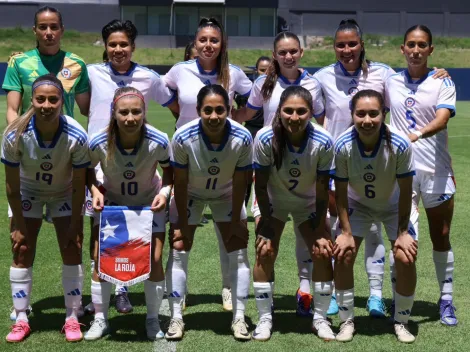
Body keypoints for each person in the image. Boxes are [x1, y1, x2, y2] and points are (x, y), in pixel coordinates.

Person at [313, 18, 449, 317]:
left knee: (375, 231)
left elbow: (408, 89)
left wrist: (437, 74)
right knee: (342, 230)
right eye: (340, 45)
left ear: (361, 45)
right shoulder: (321, 77)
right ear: (334, 47)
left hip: (379, 163)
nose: (346, 49)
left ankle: (376, 295)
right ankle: (338, 293)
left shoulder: (384, 75)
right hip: (340, 164)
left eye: (352, 44)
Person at [83, 19, 178, 316]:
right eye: (112, 44)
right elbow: (83, 106)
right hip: (100, 163)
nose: (118, 49)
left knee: (142, 234)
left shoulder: (149, 77)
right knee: (99, 234)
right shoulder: (90, 73)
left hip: (138, 162)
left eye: (124, 44)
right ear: (105, 47)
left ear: (133, 47)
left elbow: (176, 106)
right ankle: (111, 291)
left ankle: (131, 289)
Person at [232, 31, 325, 317]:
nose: (288, 56)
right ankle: (266, 298)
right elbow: (247, 113)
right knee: (266, 238)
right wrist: (222, 117)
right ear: (275, 54)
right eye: (282, 52)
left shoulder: (313, 83)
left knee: (305, 236)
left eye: (293, 51)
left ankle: (305, 291)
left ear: (301, 53)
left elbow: (318, 121)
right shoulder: (263, 82)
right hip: (269, 166)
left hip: (302, 169)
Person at [164, 17, 252, 311]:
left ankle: (228, 288)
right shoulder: (179, 71)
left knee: (230, 234)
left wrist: (238, 119)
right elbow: (167, 98)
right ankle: (178, 293)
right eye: (203, 39)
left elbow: (254, 102)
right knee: (180, 233)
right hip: (187, 159)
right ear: (195, 43)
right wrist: (183, 120)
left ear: (222, 44)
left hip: (224, 159)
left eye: (214, 40)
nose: (208, 45)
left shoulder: (234, 74)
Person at [2, 74, 90, 342]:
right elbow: (11, 187)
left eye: (53, 99)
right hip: (28, 193)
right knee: (22, 249)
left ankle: (72, 316)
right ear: (33, 101)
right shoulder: (14, 134)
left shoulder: (76, 134)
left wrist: (76, 223)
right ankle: (21, 317)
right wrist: (18, 224)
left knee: (71, 247)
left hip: (64, 192)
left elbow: (78, 185)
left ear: (62, 101)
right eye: (40, 99)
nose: (47, 105)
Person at [85, 86, 173, 341]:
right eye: (124, 112)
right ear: (114, 113)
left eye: (136, 112)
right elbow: (88, 171)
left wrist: (165, 194)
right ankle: (100, 319)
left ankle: (153, 319)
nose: (130, 118)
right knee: (101, 260)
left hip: (148, 205)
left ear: (145, 112)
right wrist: (95, 190)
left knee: (154, 259)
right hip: (113, 205)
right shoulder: (98, 141)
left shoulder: (158, 140)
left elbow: (170, 172)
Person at [166, 85, 252, 341]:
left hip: (227, 193)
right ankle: (176, 317)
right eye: (208, 110)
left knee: (238, 251)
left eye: (220, 110)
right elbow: (180, 183)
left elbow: (241, 182)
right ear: (198, 110)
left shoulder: (243, 137)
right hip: (191, 193)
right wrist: (181, 221)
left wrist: (237, 220)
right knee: (179, 249)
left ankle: (239, 317)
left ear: (228, 110)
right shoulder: (183, 136)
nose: (214, 116)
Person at [386, 24, 458, 326]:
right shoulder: (390, 82)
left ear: (430, 50)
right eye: (411, 45)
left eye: (422, 45)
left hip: (438, 172)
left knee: (441, 236)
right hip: (402, 174)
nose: (416, 50)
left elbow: (442, 120)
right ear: (402, 49)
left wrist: (416, 135)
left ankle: (446, 300)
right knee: (400, 239)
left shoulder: (444, 81)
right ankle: (396, 300)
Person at [333, 89, 417, 343]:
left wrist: (402, 233)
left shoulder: (400, 143)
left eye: (373, 114)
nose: (367, 120)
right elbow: (340, 193)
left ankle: (401, 321)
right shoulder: (343, 145)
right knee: (344, 254)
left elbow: (405, 192)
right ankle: (347, 320)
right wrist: (346, 233)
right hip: (359, 205)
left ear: (384, 114)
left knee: (404, 257)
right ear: (352, 115)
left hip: (394, 206)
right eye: (360, 114)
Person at [251, 86, 335, 341]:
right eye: (288, 111)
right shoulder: (265, 138)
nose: (294, 117)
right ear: (279, 111)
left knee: (322, 251)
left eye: (301, 111)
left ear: (311, 113)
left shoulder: (323, 140)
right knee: (265, 249)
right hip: (273, 200)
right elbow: (261, 185)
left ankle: (319, 318)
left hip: (308, 202)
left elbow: (322, 190)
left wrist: (321, 230)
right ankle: (265, 318)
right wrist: (265, 223)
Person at [2, 6, 89, 124]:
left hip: (65, 138)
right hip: (30, 137)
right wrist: (17, 136)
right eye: (43, 27)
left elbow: (86, 109)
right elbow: (12, 110)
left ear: (62, 30)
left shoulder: (77, 64)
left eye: (54, 27)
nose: (48, 32)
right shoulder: (18, 62)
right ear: (34, 30)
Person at [234, 56, 271, 206]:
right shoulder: (247, 91)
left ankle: (267, 206)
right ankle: (241, 206)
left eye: (269, 70)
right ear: (256, 71)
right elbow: (239, 114)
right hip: (251, 132)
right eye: (262, 70)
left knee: (267, 173)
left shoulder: (277, 89)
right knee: (247, 173)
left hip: (269, 134)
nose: (265, 74)